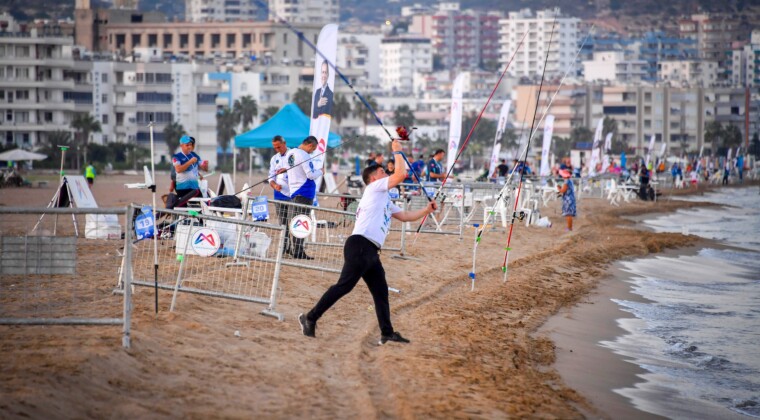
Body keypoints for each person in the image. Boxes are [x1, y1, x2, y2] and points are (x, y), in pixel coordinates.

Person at [298, 139, 438, 345]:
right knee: (344, 286)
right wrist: (398, 151)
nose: (386, 175)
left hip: (371, 250)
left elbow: (406, 216)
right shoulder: (374, 189)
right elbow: (401, 175)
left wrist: (426, 210)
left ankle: (387, 332)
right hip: (360, 245)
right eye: (382, 172)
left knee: (381, 292)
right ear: (373, 178)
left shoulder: (385, 201)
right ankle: (309, 317)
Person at [278, 136, 322, 260]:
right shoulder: (304, 155)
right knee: (302, 222)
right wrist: (321, 171)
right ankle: (298, 251)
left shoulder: (290, 153)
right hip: (304, 192)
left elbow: (291, 169)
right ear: (310, 145)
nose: (312, 151)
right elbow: (311, 174)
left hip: (294, 192)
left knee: (298, 221)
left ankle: (296, 249)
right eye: (313, 148)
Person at [269, 135, 292, 254]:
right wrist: (274, 185)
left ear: (284, 143)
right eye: (275, 147)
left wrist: (286, 169)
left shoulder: (292, 154)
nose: (277, 149)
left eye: (279, 146)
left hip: (292, 194)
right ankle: (284, 248)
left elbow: (297, 169)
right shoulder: (274, 159)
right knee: (282, 223)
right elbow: (270, 177)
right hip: (279, 195)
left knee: (293, 222)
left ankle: (294, 248)